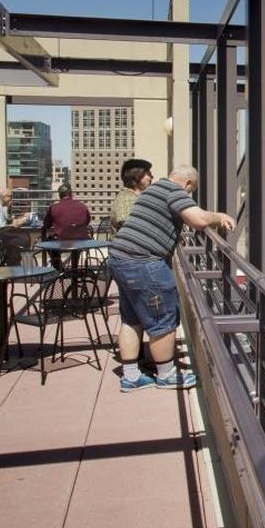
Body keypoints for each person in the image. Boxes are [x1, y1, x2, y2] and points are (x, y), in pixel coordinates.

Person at [107, 165, 234, 392]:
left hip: (119, 257)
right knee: (163, 317)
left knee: (131, 318)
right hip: (144, 261)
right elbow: (197, 219)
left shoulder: (153, 189)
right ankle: (166, 375)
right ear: (187, 184)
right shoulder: (174, 191)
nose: (189, 195)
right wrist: (219, 217)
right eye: (191, 191)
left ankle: (131, 376)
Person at [110, 158, 153, 232]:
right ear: (137, 175)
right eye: (148, 174)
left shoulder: (135, 197)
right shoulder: (126, 198)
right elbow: (127, 226)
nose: (152, 177)